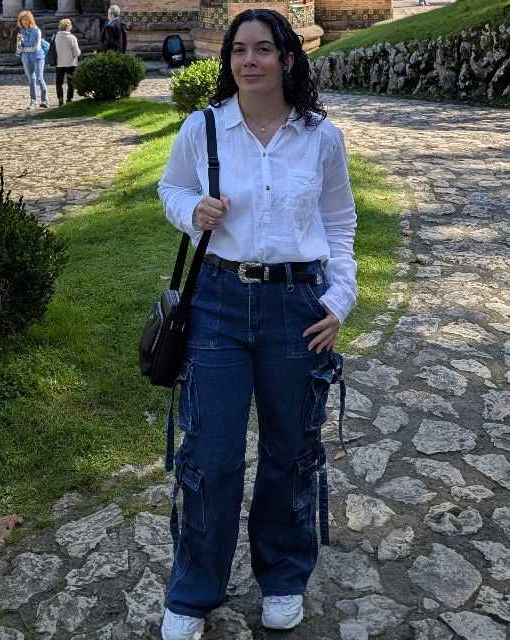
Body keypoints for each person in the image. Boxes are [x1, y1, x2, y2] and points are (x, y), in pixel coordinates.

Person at [157, 8, 357, 640]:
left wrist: (339, 300)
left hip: (297, 307)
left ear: (287, 57)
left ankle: (283, 578)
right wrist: (193, 210)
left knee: (290, 452)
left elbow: (340, 223)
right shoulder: (204, 128)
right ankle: (194, 591)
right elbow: (170, 188)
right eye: (239, 50)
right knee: (210, 455)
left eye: (263, 49)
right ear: (228, 60)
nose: (250, 60)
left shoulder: (320, 136)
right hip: (217, 303)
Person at [16, 10, 49, 109]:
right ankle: (33, 101)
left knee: (39, 77)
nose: (24, 22)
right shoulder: (21, 32)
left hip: (38, 57)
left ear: (30, 19)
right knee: (31, 79)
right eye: (22, 20)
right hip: (26, 58)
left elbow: (36, 48)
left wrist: (24, 49)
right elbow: (18, 51)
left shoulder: (37, 30)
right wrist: (18, 42)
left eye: (26, 19)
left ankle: (45, 100)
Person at [54, 18, 81, 107]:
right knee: (71, 82)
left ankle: (60, 98)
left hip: (59, 63)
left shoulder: (55, 37)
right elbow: (77, 52)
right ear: (69, 27)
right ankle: (69, 99)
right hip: (71, 64)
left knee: (59, 82)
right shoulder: (72, 38)